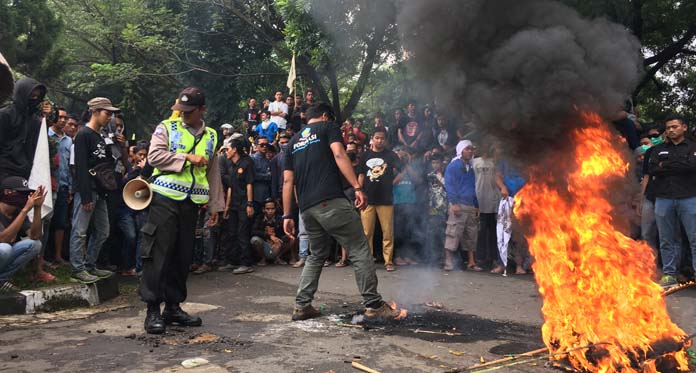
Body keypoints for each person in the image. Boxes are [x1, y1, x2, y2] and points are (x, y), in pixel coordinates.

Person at [283, 102, 401, 321]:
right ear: (326, 116)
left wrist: (288, 215)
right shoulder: (328, 128)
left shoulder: (291, 143)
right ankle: (374, 304)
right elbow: (339, 155)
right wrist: (357, 187)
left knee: (316, 255)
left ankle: (302, 306)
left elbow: (288, 180)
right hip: (330, 201)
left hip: (307, 208)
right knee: (358, 247)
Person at [139, 87, 224, 334]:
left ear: (202, 110)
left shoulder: (211, 136)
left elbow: (213, 171)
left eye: (189, 111)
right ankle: (152, 309)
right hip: (164, 197)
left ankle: (173, 307)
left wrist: (216, 205)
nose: (184, 115)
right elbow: (154, 157)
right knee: (158, 253)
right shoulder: (166, 127)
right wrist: (186, 157)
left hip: (193, 203)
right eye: (181, 110)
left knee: (183, 255)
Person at [69, 97, 119, 284]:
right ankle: (77, 268)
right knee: (79, 230)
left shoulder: (101, 136)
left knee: (103, 231)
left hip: (101, 191)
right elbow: (80, 167)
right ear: (95, 112)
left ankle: (90, 265)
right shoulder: (83, 135)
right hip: (87, 190)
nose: (109, 117)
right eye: (107, 113)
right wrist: (85, 195)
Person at [647, 116, 696, 287]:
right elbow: (652, 169)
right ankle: (669, 274)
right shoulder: (658, 149)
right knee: (666, 239)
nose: (670, 130)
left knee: (694, 237)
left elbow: (692, 166)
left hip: (689, 198)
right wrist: (679, 165)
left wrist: (665, 166)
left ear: (684, 127)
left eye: (674, 127)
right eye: (668, 128)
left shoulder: (693, 147)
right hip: (663, 199)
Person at [358, 128, 401, 271]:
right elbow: (361, 176)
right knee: (366, 232)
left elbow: (402, 172)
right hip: (367, 199)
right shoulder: (365, 155)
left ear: (385, 140)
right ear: (372, 138)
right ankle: (368, 261)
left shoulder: (391, 155)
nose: (379, 140)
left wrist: (391, 183)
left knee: (387, 232)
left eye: (382, 138)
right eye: (377, 138)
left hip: (386, 199)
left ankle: (388, 261)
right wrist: (359, 192)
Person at [0, 178, 46, 291]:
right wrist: (25, 210)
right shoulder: (21, 211)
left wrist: (37, 208)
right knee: (5, 248)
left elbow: (35, 236)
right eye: (22, 193)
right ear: (7, 192)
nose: (26, 197)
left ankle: (1, 280)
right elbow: (3, 239)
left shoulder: (18, 212)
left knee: (35, 245)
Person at [219, 139, 255, 275]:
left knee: (242, 232)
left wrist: (250, 204)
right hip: (233, 204)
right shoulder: (232, 165)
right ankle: (232, 261)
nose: (226, 152)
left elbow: (249, 184)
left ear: (235, 149)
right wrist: (227, 206)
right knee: (231, 232)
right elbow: (230, 187)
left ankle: (246, 263)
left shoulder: (247, 163)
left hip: (244, 203)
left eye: (228, 149)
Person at [0, 77, 46, 181]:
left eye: (37, 97)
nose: (34, 100)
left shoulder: (35, 121)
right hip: (5, 171)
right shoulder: (5, 115)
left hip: (27, 174)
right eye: (31, 96)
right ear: (22, 94)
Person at [443, 140, 478, 271]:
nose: (470, 151)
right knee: (453, 233)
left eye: (471, 149)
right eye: (467, 149)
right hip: (458, 204)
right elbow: (449, 185)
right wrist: (454, 203)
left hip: (470, 205)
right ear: (461, 150)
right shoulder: (454, 166)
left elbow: (473, 187)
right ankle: (448, 262)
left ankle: (471, 262)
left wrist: (476, 204)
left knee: (471, 235)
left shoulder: (470, 167)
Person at [48, 107, 72, 266]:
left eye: (65, 117)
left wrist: (71, 187)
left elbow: (71, 165)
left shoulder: (69, 140)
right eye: (60, 117)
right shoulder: (45, 135)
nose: (63, 120)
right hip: (49, 185)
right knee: (46, 221)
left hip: (64, 185)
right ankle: (41, 257)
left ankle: (58, 256)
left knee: (61, 222)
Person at [251, 198, 295, 265]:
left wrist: (278, 241)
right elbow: (253, 231)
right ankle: (263, 259)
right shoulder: (259, 218)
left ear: (275, 209)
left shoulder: (280, 218)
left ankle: (278, 257)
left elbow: (286, 233)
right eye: (268, 209)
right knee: (255, 240)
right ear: (263, 209)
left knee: (291, 238)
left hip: (277, 246)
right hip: (265, 245)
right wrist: (269, 236)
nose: (270, 211)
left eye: (272, 209)